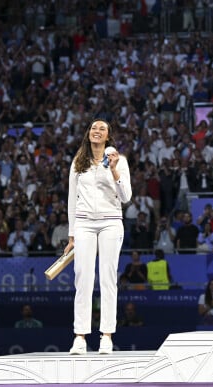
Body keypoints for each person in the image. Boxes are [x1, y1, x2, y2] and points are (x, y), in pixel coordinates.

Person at [66, 119, 132, 355]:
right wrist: (71, 235)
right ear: (88, 133)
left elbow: (126, 197)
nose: (97, 131)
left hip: (111, 222)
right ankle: (80, 337)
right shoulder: (78, 162)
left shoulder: (119, 161)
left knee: (107, 277)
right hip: (83, 222)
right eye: (94, 127)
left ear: (108, 136)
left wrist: (113, 169)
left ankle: (106, 335)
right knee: (82, 278)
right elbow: (71, 199)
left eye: (102, 128)